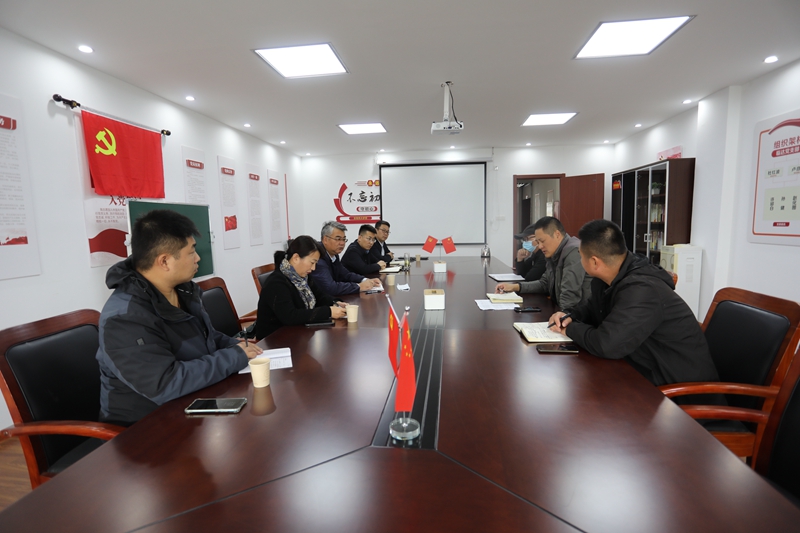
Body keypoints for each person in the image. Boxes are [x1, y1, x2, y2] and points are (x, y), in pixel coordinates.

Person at [96, 209, 262, 426]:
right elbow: (165, 384)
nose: (198, 258)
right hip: (144, 428)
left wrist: (236, 345)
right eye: (191, 252)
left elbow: (207, 337)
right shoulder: (124, 319)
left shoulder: (182, 291)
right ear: (164, 261)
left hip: (192, 404)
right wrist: (234, 356)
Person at [548, 219, 719, 387]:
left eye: (581, 256)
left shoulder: (642, 289)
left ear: (594, 262)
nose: (580, 260)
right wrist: (569, 315)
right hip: (642, 370)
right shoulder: (609, 279)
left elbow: (606, 344)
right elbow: (591, 309)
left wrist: (569, 329)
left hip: (679, 391)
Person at [254, 236, 347, 338]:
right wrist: (328, 312)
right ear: (296, 258)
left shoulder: (303, 277)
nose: (313, 268)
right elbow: (290, 316)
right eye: (312, 262)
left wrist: (335, 303)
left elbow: (319, 296)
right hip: (275, 339)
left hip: (297, 333)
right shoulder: (276, 283)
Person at [496, 216, 590, 310]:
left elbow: (570, 295)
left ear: (557, 235)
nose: (540, 246)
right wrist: (515, 287)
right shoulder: (554, 253)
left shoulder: (574, 251)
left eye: (542, 241)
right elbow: (544, 283)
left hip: (580, 315)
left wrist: (562, 315)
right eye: (538, 242)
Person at [311, 220, 381, 296]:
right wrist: (359, 286)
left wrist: (365, 280)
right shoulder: (318, 257)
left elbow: (345, 274)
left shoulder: (334, 254)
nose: (342, 243)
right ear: (325, 240)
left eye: (344, 239)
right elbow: (330, 288)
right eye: (338, 239)